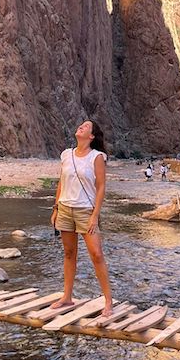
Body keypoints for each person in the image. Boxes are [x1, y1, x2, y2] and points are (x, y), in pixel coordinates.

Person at [50, 119, 113, 318]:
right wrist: (56, 208)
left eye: (86, 126)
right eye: (81, 125)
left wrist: (95, 215)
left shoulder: (97, 157)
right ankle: (67, 297)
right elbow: (61, 182)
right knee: (69, 253)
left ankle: (108, 301)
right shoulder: (66, 155)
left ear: (91, 136)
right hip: (66, 209)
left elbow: (101, 186)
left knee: (96, 254)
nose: (81, 127)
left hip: (86, 211)